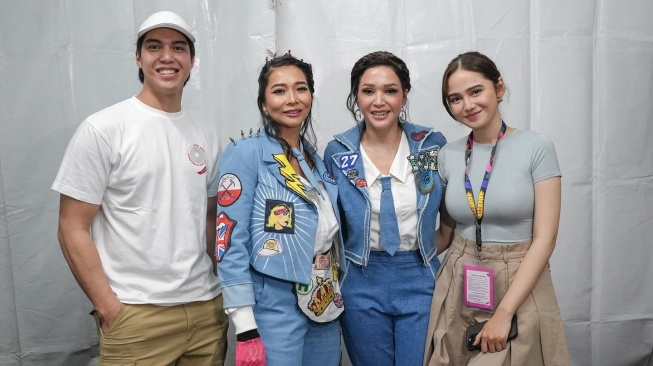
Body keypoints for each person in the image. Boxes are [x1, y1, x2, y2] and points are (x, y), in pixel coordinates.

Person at [52, 11, 228, 365]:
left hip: (206, 310)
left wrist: (221, 281)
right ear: (138, 57)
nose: (167, 57)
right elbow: (71, 227)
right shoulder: (104, 128)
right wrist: (109, 307)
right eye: (154, 46)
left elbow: (211, 217)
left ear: (192, 60)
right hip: (136, 315)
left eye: (179, 47)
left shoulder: (206, 132)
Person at [423, 51, 570, 365]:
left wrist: (504, 314)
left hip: (519, 279)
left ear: (499, 88)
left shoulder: (536, 146)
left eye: (476, 91)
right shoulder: (448, 154)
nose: (468, 104)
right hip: (459, 277)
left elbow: (546, 239)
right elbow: (446, 234)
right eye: (456, 98)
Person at [215, 52, 345, 366]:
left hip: (323, 296)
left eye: (300, 88)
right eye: (279, 90)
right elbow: (228, 240)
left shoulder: (315, 159)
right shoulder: (245, 153)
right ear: (263, 102)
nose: (292, 99)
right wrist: (245, 325)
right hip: (273, 303)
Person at [323, 51, 447, 366]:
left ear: (404, 95)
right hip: (361, 277)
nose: (380, 101)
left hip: (420, 276)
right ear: (356, 96)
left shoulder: (430, 145)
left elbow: (451, 219)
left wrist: (428, 251)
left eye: (390, 90)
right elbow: (330, 222)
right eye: (369, 91)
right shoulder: (338, 152)